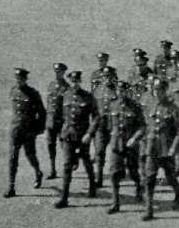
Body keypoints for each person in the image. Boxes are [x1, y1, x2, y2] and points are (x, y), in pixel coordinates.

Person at [140, 78, 179, 220]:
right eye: (155, 90)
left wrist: (173, 149)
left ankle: (178, 193)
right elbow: (145, 126)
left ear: (165, 91)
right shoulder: (149, 105)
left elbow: (178, 132)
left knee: (170, 177)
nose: (157, 93)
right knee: (149, 178)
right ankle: (149, 209)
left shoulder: (173, 108)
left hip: (166, 149)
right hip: (151, 147)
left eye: (160, 90)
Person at [55, 71, 100, 206]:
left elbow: (97, 117)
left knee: (86, 161)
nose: (75, 84)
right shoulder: (64, 96)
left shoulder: (88, 97)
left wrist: (90, 134)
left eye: (77, 81)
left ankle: (92, 185)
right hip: (68, 135)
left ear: (80, 81)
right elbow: (58, 116)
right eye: (72, 81)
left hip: (82, 136)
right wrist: (60, 134)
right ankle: (64, 198)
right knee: (67, 165)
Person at [103, 80, 146, 214]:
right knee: (114, 173)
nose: (121, 93)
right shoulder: (112, 105)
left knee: (133, 171)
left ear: (128, 92)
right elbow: (109, 125)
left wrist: (134, 138)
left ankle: (139, 187)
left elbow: (142, 126)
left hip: (131, 144)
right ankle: (115, 203)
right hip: (117, 143)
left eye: (123, 91)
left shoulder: (135, 106)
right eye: (119, 91)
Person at [6, 67, 46, 197]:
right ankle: (11, 186)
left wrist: (38, 129)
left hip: (28, 130)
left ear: (25, 79)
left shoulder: (33, 93)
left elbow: (42, 113)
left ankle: (38, 172)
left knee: (30, 155)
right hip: (15, 129)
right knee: (13, 157)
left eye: (21, 79)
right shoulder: (13, 91)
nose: (19, 81)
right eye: (17, 79)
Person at [44, 63, 70, 179]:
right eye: (56, 71)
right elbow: (48, 103)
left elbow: (67, 107)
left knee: (64, 145)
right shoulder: (50, 85)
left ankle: (67, 167)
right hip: (50, 120)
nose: (57, 73)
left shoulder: (66, 87)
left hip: (61, 120)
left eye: (59, 71)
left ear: (63, 72)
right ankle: (52, 169)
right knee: (50, 145)